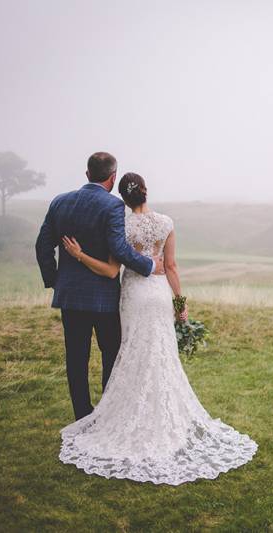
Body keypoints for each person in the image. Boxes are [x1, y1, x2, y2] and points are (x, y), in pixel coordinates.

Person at [55, 171, 257, 485]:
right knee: (162, 355)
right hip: (160, 294)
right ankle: (164, 416)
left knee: (133, 351)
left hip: (135, 295)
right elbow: (171, 265)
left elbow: (112, 269)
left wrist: (79, 255)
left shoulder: (120, 226)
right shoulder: (166, 222)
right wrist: (180, 302)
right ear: (146, 191)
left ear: (123, 198)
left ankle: (128, 414)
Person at [36, 152, 163, 421]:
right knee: (111, 354)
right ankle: (107, 414)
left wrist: (55, 280)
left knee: (76, 358)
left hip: (70, 297)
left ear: (87, 174)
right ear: (113, 177)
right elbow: (119, 248)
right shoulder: (112, 205)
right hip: (104, 298)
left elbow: (42, 246)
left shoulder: (60, 202)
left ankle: (82, 415)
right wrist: (150, 265)